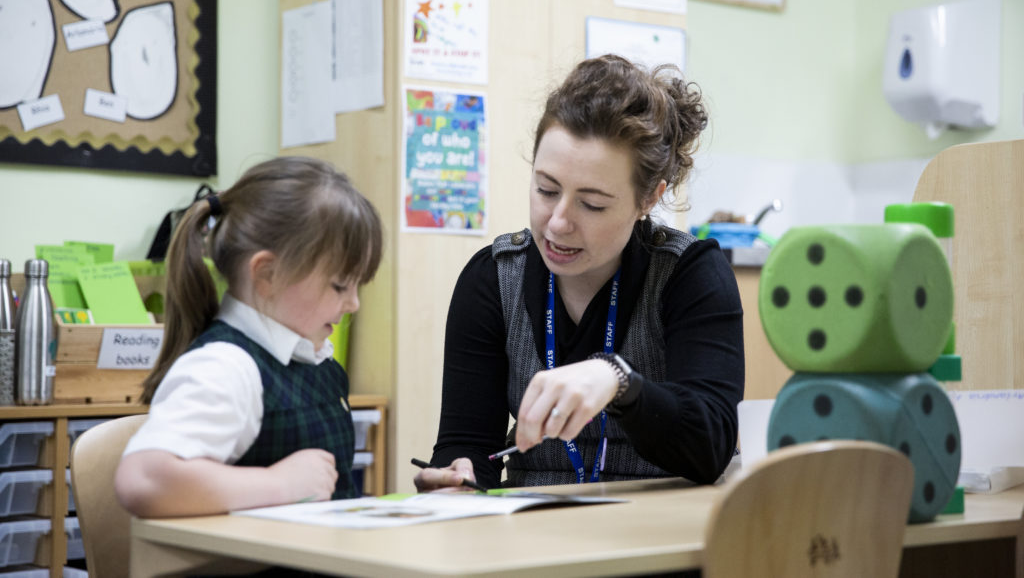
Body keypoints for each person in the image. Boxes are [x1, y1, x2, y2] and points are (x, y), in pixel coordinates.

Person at [414, 55, 744, 492]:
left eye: (592, 204)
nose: (557, 223)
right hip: (537, 532)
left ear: (648, 198)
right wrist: (458, 475)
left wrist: (619, 381)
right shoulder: (492, 279)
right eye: (546, 190)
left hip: (662, 535)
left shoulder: (691, 274)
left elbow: (710, 446)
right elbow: (467, 444)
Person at [115, 156, 383, 518]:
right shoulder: (225, 367)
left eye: (356, 287)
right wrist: (282, 485)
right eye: (339, 286)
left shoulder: (312, 358)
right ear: (267, 273)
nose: (352, 304)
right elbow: (143, 481)